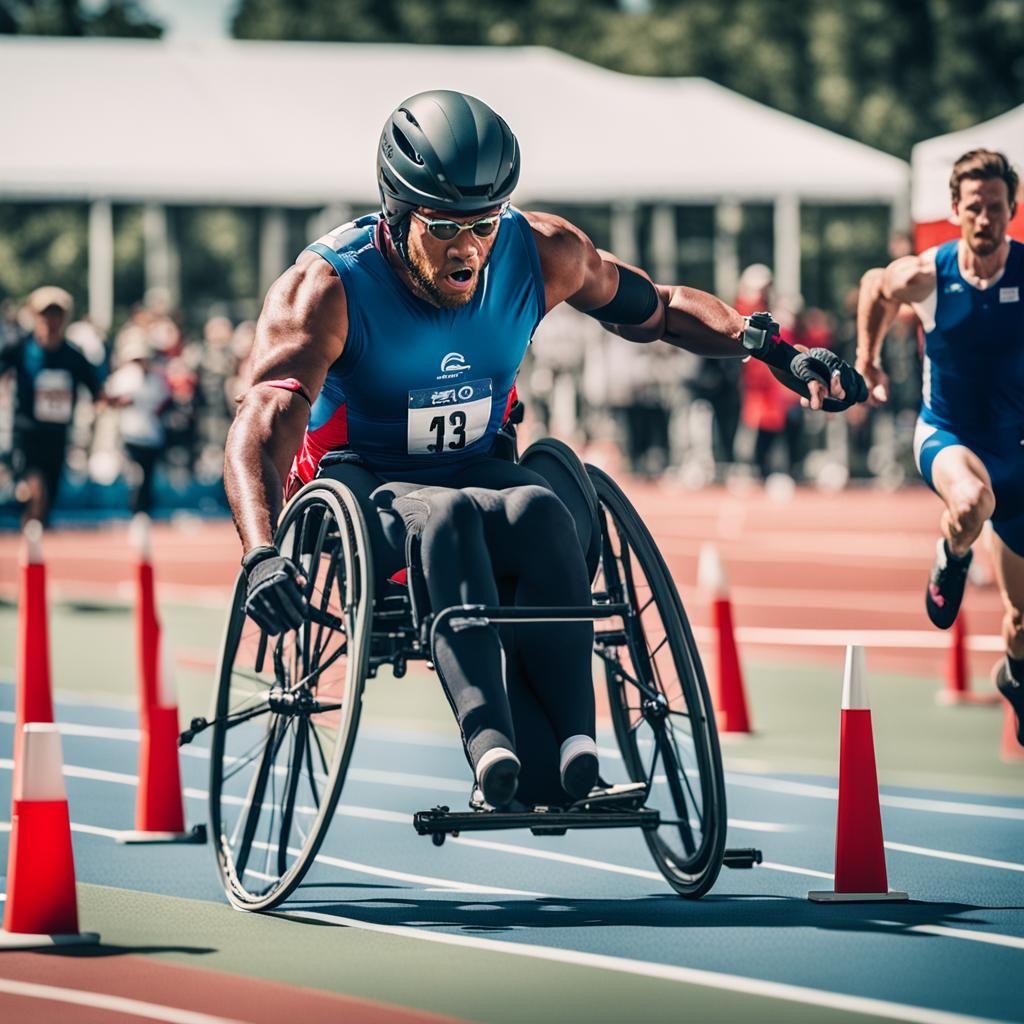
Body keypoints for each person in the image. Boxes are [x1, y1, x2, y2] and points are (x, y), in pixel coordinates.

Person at [225, 90, 867, 810]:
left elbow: (657, 309)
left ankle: (569, 750)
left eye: (483, 224)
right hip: (362, 484)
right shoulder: (326, 289)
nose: (468, 249)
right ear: (397, 215)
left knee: (542, 507)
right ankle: (491, 746)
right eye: (444, 227)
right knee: (446, 517)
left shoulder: (541, 251)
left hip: (479, 465)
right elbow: (260, 424)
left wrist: (774, 350)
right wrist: (260, 552)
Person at [855, 149, 1024, 744]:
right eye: (974, 207)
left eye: (996, 207)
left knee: (1021, 618)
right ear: (955, 208)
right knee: (972, 501)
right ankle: (952, 554)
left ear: (1012, 208)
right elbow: (875, 286)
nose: (985, 218)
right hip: (948, 434)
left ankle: (1015, 674)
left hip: (1017, 449)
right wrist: (868, 360)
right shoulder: (929, 273)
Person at [0, 286, 104, 525]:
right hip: (26, 430)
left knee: (49, 494)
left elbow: (95, 388)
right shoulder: (21, 347)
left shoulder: (73, 355)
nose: (51, 321)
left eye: (57, 315)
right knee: (34, 485)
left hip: (57, 433)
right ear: (34, 316)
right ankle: (25, 494)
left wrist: (104, 403)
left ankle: (33, 525)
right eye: (45, 314)